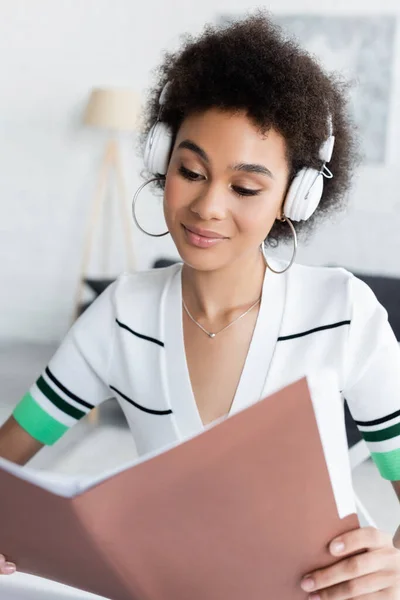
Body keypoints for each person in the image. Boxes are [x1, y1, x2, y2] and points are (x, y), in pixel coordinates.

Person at [2, 10, 400, 597]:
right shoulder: (121, 317)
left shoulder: (343, 313)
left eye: (245, 188)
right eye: (190, 171)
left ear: (297, 197)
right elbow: (10, 461)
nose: (208, 206)